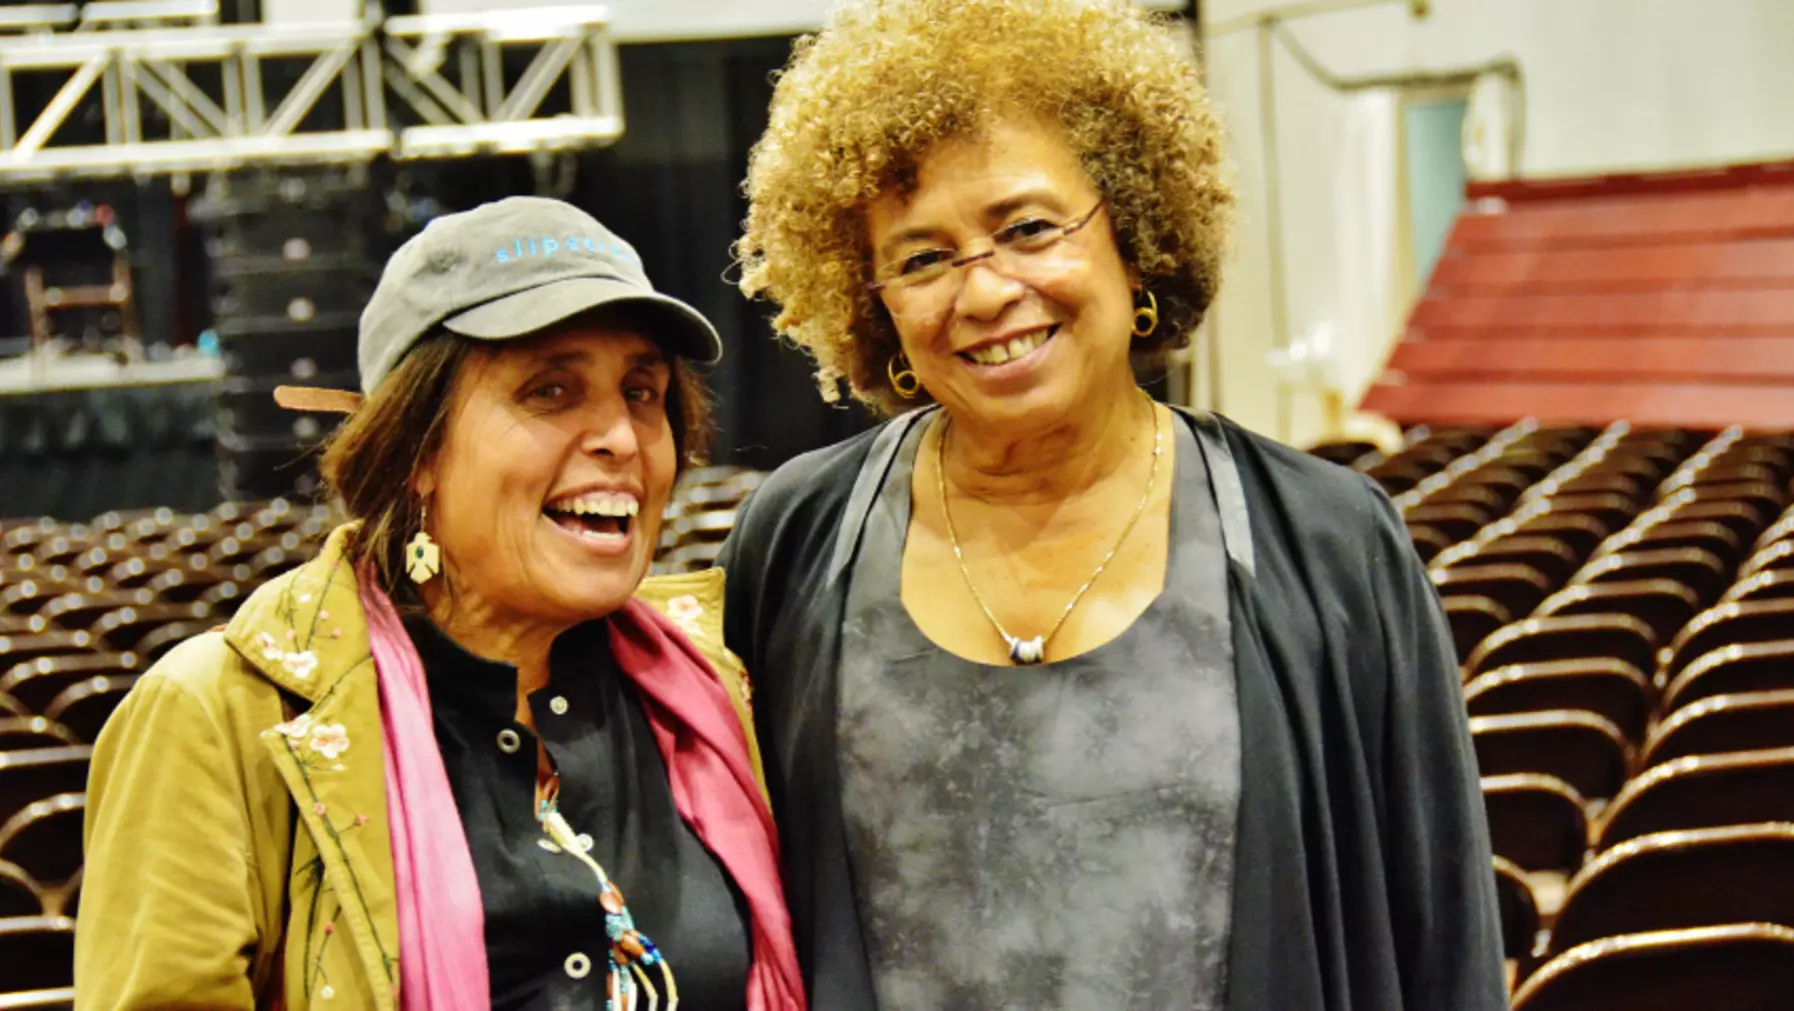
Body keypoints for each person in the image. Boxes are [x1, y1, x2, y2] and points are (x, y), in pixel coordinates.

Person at [719, 1, 1507, 1008]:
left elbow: (1440, 933)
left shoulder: (1329, 540)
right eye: (923, 258)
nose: (987, 290)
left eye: (1029, 228)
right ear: (875, 304)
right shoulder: (797, 539)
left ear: (1134, 239)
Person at [76, 197, 805, 1011]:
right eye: (551, 389)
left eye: (642, 391)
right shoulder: (220, 717)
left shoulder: (719, 687)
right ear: (416, 447)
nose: (623, 438)